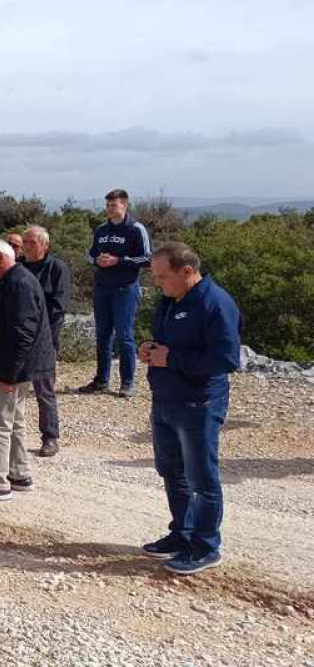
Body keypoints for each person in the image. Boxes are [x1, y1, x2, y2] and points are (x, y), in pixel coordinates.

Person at [139, 243, 240, 576]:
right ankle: (182, 534)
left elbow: (225, 359)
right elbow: (170, 343)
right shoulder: (171, 299)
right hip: (166, 398)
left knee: (201, 478)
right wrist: (151, 350)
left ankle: (206, 547)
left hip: (198, 403)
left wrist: (171, 359)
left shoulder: (215, 303)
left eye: (162, 276)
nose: (158, 283)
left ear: (187, 271)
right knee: (172, 471)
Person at [0, 239, 55, 504]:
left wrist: (8, 374)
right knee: (15, 420)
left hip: (14, 367)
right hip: (19, 365)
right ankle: (19, 473)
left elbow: (22, 334)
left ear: (1, 260)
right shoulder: (12, 280)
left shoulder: (19, 284)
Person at [80, 188, 152, 398]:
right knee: (102, 335)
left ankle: (127, 382)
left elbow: (147, 258)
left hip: (125, 289)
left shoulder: (136, 229)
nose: (110, 209)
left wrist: (119, 261)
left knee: (125, 335)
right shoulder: (101, 229)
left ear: (124, 205)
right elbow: (90, 254)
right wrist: (97, 260)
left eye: (113, 205)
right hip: (102, 287)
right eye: (108, 206)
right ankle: (101, 380)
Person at [21, 226, 71, 457]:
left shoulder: (56, 268)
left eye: (31, 242)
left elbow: (58, 309)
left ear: (44, 245)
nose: (26, 246)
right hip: (20, 337)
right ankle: (12, 437)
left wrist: (47, 340)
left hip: (44, 340)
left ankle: (50, 437)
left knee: (44, 391)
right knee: (13, 391)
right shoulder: (18, 267)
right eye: (25, 242)